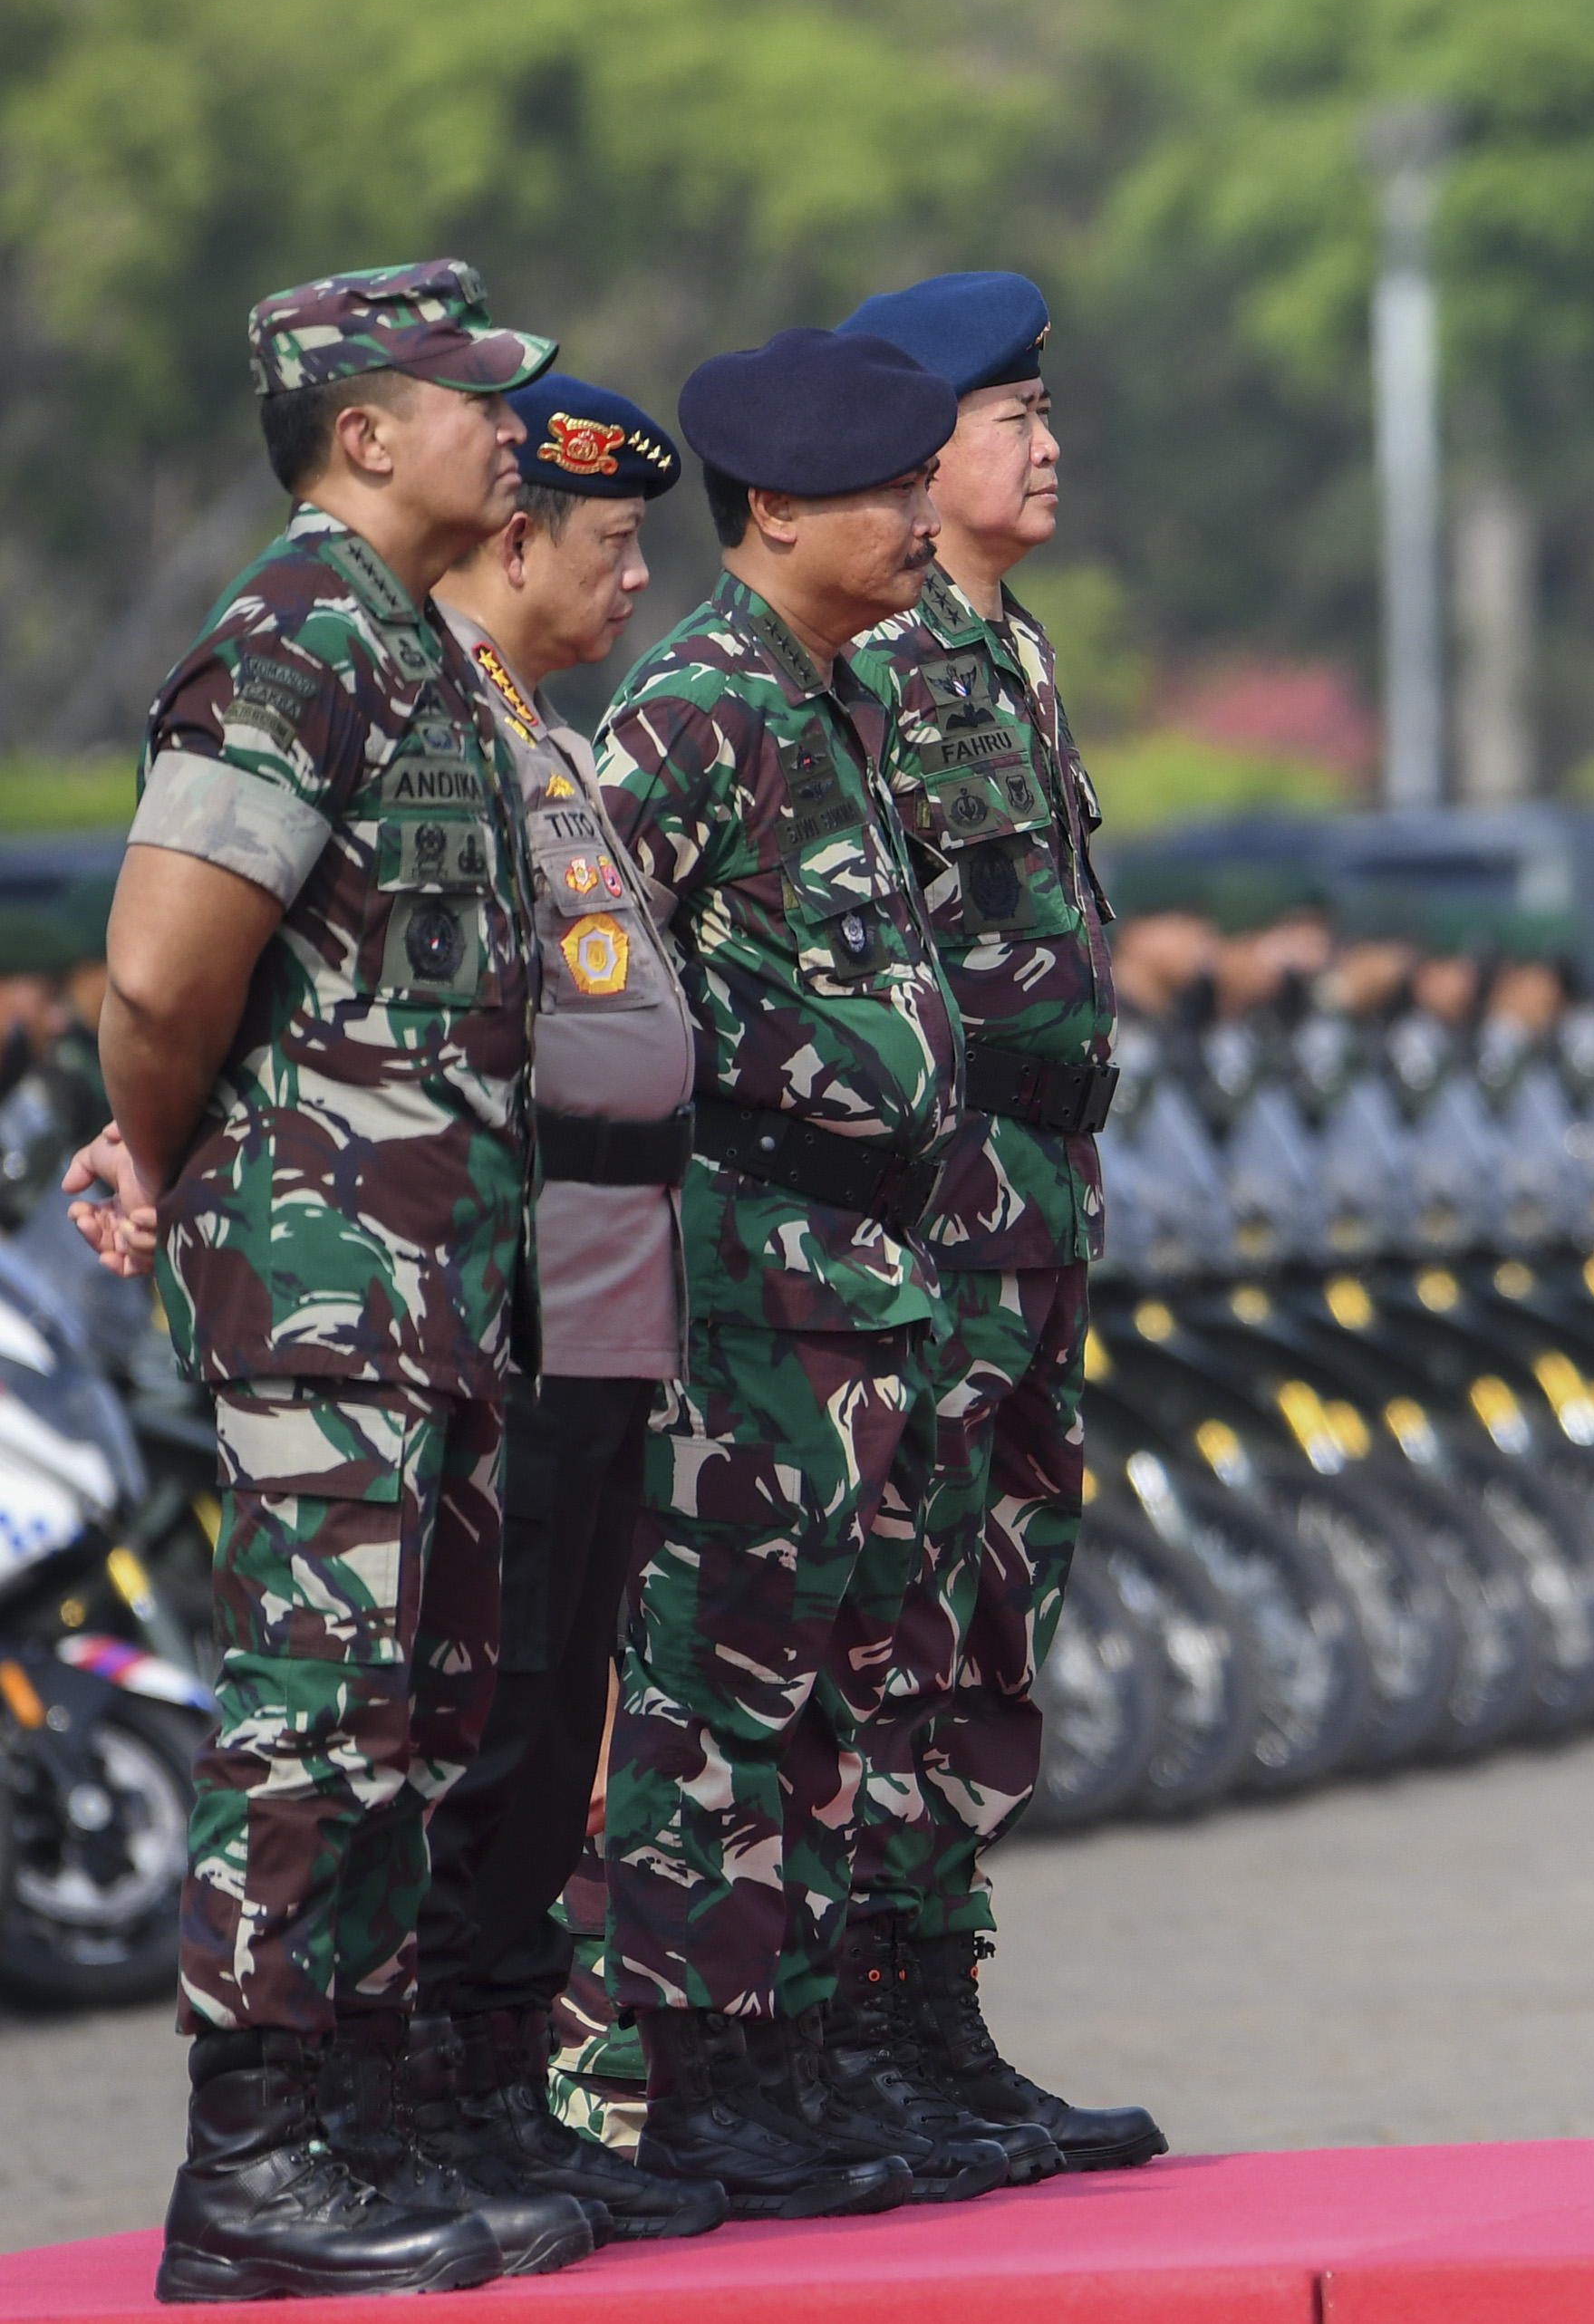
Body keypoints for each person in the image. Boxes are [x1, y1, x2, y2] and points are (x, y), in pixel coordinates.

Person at [62, 261, 596, 2300]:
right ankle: (256, 2152)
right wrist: (186, 1153)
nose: (508, 432)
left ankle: (362, 2111)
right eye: (472, 402)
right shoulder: (290, 639)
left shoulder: (412, 643)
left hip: (430, 1260)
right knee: (321, 1693)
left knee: (417, 1689)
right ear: (362, 433)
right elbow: (162, 968)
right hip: (324, 1255)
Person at [588, 325, 993, 2214]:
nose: (923, 519)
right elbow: (589, 999)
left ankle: (794, 2051)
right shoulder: (693, 711)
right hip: (747, 1273)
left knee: (836, 1676)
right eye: (886, 492)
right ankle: (690, 2075)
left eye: (924, 481)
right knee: (718, 1685)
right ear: (774, 510)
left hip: (858, 1270)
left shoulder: (823, 694)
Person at [829, 272, 1163, 2170]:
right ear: (911, 448)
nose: (1045, 446)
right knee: (886, 1611)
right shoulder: (868, 663)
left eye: (1044, 413)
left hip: (1034, 1198)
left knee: (989, 1611)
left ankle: (937, 2014)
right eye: (1009, 416)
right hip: (920, 1210)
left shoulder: (1006, 648)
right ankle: (855, 2031)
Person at [409, 373, 725, 2243]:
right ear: (512, 537)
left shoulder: (540, 727)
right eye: (609, 549)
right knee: (488, 1692)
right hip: (500, 1283)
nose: (630, 587)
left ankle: (514, 2081)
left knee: (561, 1690)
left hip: (605, 1280)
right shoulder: (435, 719)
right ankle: (441, 2089)